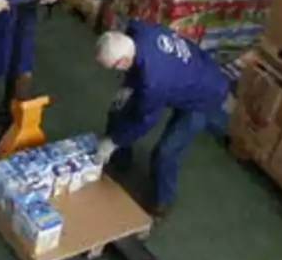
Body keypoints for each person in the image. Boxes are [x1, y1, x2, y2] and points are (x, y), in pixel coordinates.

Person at [94, 21, 230, 218]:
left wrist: (112, 141)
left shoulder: (153, 81)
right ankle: (120, 160)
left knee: (166, 152)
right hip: (186, 72)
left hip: (204, 95)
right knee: (118, 110)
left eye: (114, 68)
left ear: (123, 62)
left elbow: (143, 121)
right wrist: (127, 88)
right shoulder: (139, 31)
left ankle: (162, 202)